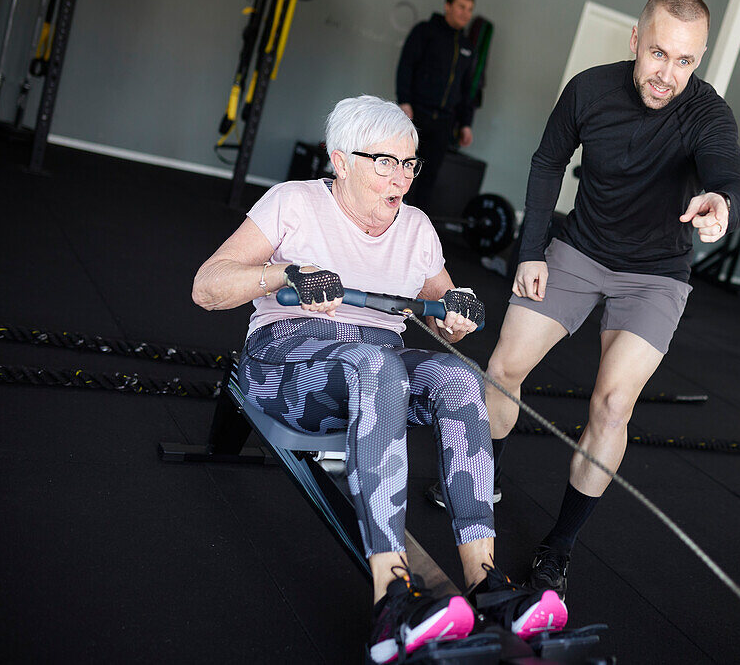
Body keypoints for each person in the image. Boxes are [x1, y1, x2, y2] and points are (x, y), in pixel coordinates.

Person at [191, 96, 566, 663]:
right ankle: (393, 598)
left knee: (458, 379)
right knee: (378, 366)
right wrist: (286, 273)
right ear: (340, 161)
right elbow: (207, 286)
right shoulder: (292, 203)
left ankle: (484, 582)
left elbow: (444, 303)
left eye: (410, 164)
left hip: (378, 363)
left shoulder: (414, 227)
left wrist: (457, 310)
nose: (402, 178)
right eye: (385, 162)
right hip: (287, 365)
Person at [467, 0, 740, 599]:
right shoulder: (590, 90)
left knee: (613, 405)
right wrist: (530, 251)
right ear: (634, 41)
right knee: (501, 368)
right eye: (658, 54)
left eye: (685, 62)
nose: (668, 74)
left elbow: (729, 173)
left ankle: (559, 547)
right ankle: (480, 481)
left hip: (656, 275)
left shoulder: (707, 113)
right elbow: (548, 163)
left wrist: (721, 203)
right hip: (579, 249)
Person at [396, 0, 478, 213]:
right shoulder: (425, 31)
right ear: (447, 6)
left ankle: (413, 233)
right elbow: (406, 66)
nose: (465, 13)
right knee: (404, 172)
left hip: (444, 123)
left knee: (428, 179)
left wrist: (466, 124)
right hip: (416, 115)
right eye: (461, 6)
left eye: (470, 9)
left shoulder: (468, 48)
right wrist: (404, 101)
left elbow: (467, 89)